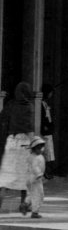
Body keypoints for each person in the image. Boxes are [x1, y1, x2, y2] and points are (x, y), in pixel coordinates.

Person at [0, 82, 35, 214]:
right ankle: (24, 204)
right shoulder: (28, 107)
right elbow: (30, 129)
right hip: (24, 143)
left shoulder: (10, 105)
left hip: (11, 142)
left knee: (5, 176)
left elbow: (2, 120)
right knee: (25, 176)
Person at [23, 136, 48, 218]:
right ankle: (35, 212)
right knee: (39, 195)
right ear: (34, 148)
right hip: (35, 179)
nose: (41, 150)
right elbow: (35, 167)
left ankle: (25, 204)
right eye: (39, 148)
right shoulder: (36, 157)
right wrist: (39, 175)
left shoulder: (31, 156)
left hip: (29, 178)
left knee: (31, 194)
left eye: (41, 148)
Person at [40, 83, 56, 178]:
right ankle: (45, 171)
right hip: (45, 130)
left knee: (48, 151)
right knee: (46, 152)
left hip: (48, 130)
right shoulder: (41, 103)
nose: (51, 95)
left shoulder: (45, 103)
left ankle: (47, 170)